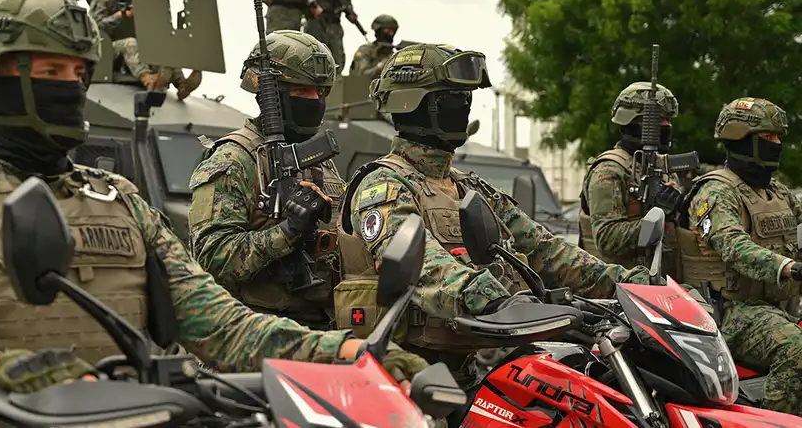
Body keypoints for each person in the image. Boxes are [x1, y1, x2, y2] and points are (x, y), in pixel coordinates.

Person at [0, 0, 427, 428]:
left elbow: (222, 327)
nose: (69, 85)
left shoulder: (116, 198)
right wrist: (1, 377)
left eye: (77, 73)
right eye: (49, 71)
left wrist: (347, 354)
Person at [335, 44, 648, 387]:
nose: (465, 106)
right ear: (413, 103)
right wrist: (492, 297)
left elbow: (548, 250)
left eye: (467, 97)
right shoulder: (383, 185)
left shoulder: (469, 187)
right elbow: (424, 266)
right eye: (454, 97)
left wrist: (630, 285)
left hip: (467, 371)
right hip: (406, 382)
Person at [188, 31, 343, 329]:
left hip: (321, 330)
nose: (313, 101)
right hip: (254, 333)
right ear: (274, 95)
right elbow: (210, 259)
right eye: (301, 92)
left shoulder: (319, 161)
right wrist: (286, 232)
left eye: (320, 92)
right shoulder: (235, 159)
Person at [677, 97, 802, 415]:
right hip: (732, 312)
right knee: (797, 349)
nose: (778, 144)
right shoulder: (716, 191)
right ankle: (777, 420)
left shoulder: (775, 190)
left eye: (779, 137)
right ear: (743, 139)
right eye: (769, 137)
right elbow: (733, 245)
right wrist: (787, 266)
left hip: (776, 307)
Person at [579, 82, 680, 271]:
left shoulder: (663, 168)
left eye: (668, 120)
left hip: (663, 282)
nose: (667, 126)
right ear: (633, 122)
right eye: (658, 120)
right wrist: (657, 216)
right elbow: (607, 239)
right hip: (621, 286)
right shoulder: (608, 171)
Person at [89, 0, 201, 99]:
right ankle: (147, 77)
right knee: (130, 43)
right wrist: (121, 15)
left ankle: (181, 84)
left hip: (138, 49)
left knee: (164, 45)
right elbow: (93, 28)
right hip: (107, 50)